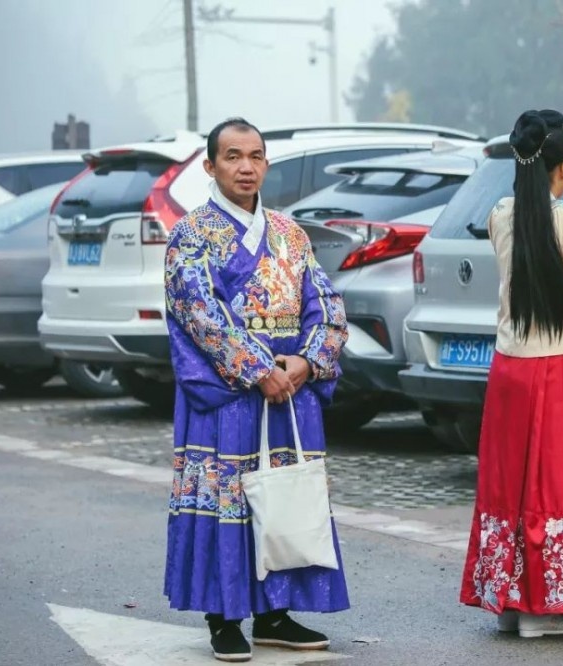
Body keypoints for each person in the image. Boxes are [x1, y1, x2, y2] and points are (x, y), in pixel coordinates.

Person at [163, 117, 350, 662]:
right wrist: (257, 368)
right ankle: (222, 616)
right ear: (211, 166)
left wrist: (307, 361)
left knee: (285, 497)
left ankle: (274, 611)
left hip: (287, 388)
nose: (246, 167)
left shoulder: (291, 234)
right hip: (228, 392)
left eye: (255, 156)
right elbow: (199, 313)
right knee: (228, 497)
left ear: (266, 164)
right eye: (232, 156)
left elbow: (327, 306)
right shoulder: (193, 233)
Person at [459, 109, 563, 638]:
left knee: (510, 483)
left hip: (509, 367)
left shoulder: (502, 215)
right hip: (554, 365)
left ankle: (508, 597)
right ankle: (544, 608)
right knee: (552, 483)